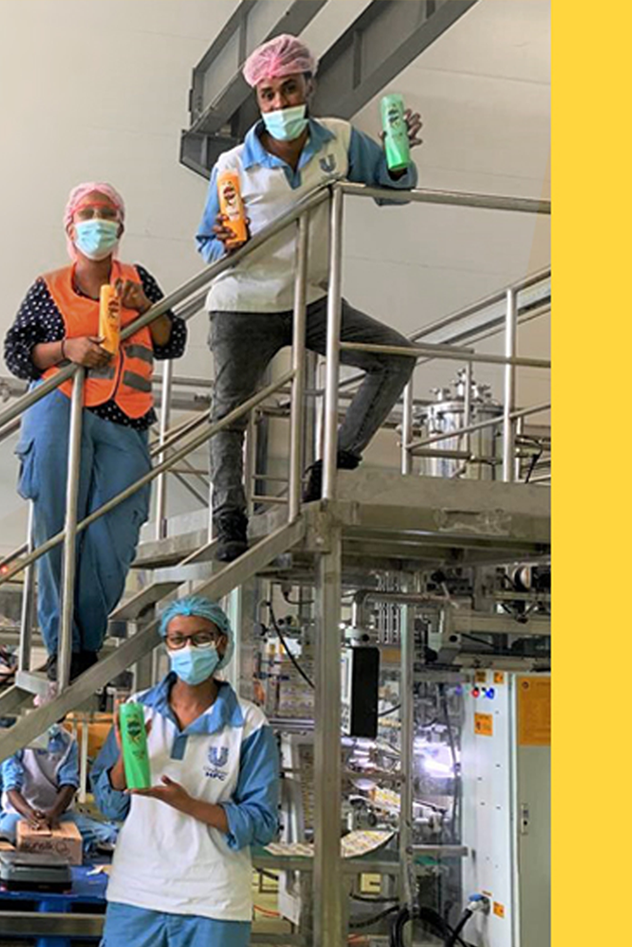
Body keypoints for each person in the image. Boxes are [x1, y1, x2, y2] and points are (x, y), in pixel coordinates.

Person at [193, 33, 426, 560]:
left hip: (311, 297)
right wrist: (229, 243)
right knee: (230, 414)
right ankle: (229, 517)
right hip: (243, 304)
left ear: (309, 87)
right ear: (258, 99)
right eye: (268, 95)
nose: (279, 104)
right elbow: (205, 241)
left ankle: (332, 462)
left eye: (289, 90)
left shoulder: (338, 141)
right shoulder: (232, 164)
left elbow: (394, 187)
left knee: (395, 357)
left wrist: (398, 154)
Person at [86, 596, 282, 947]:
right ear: (165, 646)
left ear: (221, 644)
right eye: (177, 639)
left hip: (212, 904)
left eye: (199, 638)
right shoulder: (137, 710)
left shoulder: (248, 725)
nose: (187, 648)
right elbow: (109, 803)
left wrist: (187, 803)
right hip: (138, 896)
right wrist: (123, 755)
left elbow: (261, 821)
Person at [2, 183, 186, 676]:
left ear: (121, 228)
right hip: (62, 407)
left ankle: (87, 639)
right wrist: (68, 349)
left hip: (126, 416)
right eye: (88, 213)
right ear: (70, 226)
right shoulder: (49, 287)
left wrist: (143, 304)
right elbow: (17, 352)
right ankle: (65, 648)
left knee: (114, 532)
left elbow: (173, 340)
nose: (98, 221)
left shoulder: (138, 278)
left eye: (108, 214)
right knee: (58, 527)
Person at [0, 721, 117, 856]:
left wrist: (53, 814)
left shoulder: (68, 742)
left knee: (110, 835)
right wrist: (29, 814)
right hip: (19, 814)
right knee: (4, 841)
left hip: (61, 814)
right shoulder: (17, 739)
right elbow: (11, 787)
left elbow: (69, 784)